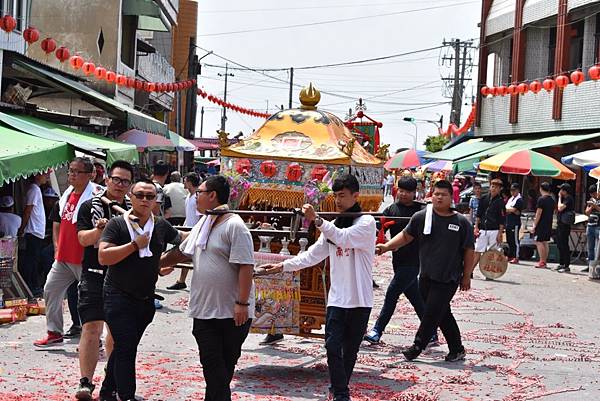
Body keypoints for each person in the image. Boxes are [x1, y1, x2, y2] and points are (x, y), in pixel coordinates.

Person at [261, 174, 376, 401]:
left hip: (360, 300)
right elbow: (311, 256)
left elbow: (343, 238)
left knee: (349, 352)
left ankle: (337, 389)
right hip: (337, 299)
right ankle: (342, 394)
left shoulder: (366, 223)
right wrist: (281, 266)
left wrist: (318, 221)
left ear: (355, 195)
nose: (338, 201)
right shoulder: (332, 227)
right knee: (332, 347)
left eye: (342, 196)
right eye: (336, 196)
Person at [160, 175, 255, 401]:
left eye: (198, 193)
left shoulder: (235, 226)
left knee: (222, 369)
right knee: (212, 366)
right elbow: (182, 251)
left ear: (212, 196)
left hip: (232, 312)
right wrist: (156, 265)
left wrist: (242, 303)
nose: (195, 198)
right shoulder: (205, 222)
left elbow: (246, 266)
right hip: (204, 310)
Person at [98, 179, 182, 401]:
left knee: (126, 345)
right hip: (117, 295)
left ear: (156, 200)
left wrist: (160, 265)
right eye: (140, 195)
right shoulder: (117, 224)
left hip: (145, 299)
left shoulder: (161, 226)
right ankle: (126, 395)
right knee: (126, 346)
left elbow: (182, 242)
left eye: (150, 196)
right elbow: (103, 256)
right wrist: (135, 245)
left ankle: (108, 390)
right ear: (130, 197)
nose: (145, 200)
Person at [376, 179, 475, 362]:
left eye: (443, 195)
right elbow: (406, 236)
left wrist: (466, 276)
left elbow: (469, 250)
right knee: (442, 312)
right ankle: (457, 348)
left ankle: (417, 346)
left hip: (449, 277)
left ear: (450, 198)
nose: (439, 198)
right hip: (426, 275)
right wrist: (387, 246)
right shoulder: (422, 217)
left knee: (431, 312)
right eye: (436, 194)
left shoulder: (461, 222)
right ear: (432, 195)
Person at [74, 161, 134, 401]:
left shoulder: (134, 210)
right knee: (91, 327)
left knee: (117, 332)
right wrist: (99, 231)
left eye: (125, 181)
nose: (120, 185)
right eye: (116, 179)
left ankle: (112, 376)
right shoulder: (90, 207)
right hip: (94, 274)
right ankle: (85, 382)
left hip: (123, 277)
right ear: (107, 179)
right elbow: (82, 239)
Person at [34, 158, 99, 347]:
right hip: (63, 257)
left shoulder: (94, 196)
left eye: (77, 172)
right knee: (50, 290)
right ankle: (54, 332)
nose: (72, 174)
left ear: (89, 175)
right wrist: (56, 245)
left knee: (91, 299)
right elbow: (58, 221)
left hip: (83, 258)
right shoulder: (67, 194)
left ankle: (95, 339)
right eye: (70, 170)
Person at [364, 178, 436, 345]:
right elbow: (379, 226)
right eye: (401, 190)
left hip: (415, 261)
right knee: (416, 298)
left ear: (414, 193)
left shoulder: (422, 210)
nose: (404, 194)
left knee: (392, 294)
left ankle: (377, 330)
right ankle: (431, 331)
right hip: (398, 261)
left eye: (408, 192)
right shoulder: (391, 209)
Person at [167, 172, 201, 291]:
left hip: (195, 230)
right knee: (186, 255)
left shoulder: (198, 196)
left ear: (190, 182)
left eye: (185, 180)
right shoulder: (189, 195)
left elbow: (201, 215)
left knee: (191, 257)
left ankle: (184, 281)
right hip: (188, 229)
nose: (183, 183)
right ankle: (181, 281)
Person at [17, 173, 48, 296]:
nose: (47, 177)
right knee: (31, 261)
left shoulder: (36, 189)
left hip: (37, 231)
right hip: (33, 231)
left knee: (34, 260)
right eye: (45, 174)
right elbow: (28, 211)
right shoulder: (34, 190)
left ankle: (33, 286)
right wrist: (22, 229)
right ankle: (30, 287)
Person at [472, 178, 505, 273]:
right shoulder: (483, 199)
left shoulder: (500, 202)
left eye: (497, 187)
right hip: (483, 229)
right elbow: (478, 214)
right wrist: (476, 227)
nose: (494, 189)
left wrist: (500, 233)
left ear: (500, 189)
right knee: (477, 250)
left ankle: (489, 273)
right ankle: (470, 271)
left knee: (492, 253)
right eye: (493, 186)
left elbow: (502, 219)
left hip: (494, 230)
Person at [532, 182, 556, 269]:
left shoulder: (541, 199)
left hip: (541, 224)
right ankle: (544, 261)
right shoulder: (552, 200)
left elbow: (538, 213)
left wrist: (534, 224)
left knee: (538, 241)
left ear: (541, 189)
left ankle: (542, 261)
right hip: (548, 223)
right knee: (545, 242)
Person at [556, 183, 574, 273]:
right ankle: (561, 263)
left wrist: (559, 198)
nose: (560, 192)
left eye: (561, 190)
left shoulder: (569, 198)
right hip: (560, 223)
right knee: (559, 244)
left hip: (565, 225)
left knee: (564, 244)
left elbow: (560, 208)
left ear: (565, 191)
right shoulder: (564, 199)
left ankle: (566, 265)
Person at [505, 183, 524, 264]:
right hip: (508, 221)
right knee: (509, 240)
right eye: (511, 190)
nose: (512, 192)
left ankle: (516, 256)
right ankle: (510, 255)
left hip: (515, 222)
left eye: (514, 190)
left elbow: (514, 210)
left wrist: (510, 210)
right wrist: (510, 210)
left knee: (515, 240)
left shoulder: (519, 200)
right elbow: (506, 208)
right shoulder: (511, 199)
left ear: (518, 190)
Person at [584, 184, 600, 274]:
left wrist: (595, 206)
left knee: (597, 248)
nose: (593, 196)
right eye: (591, 194)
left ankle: (596, 266)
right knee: (590, 247)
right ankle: (589, 265)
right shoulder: (591, 200)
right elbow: (586, 212)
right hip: (590, 225)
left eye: (594, 193)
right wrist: (591, 206)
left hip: (598, 226)